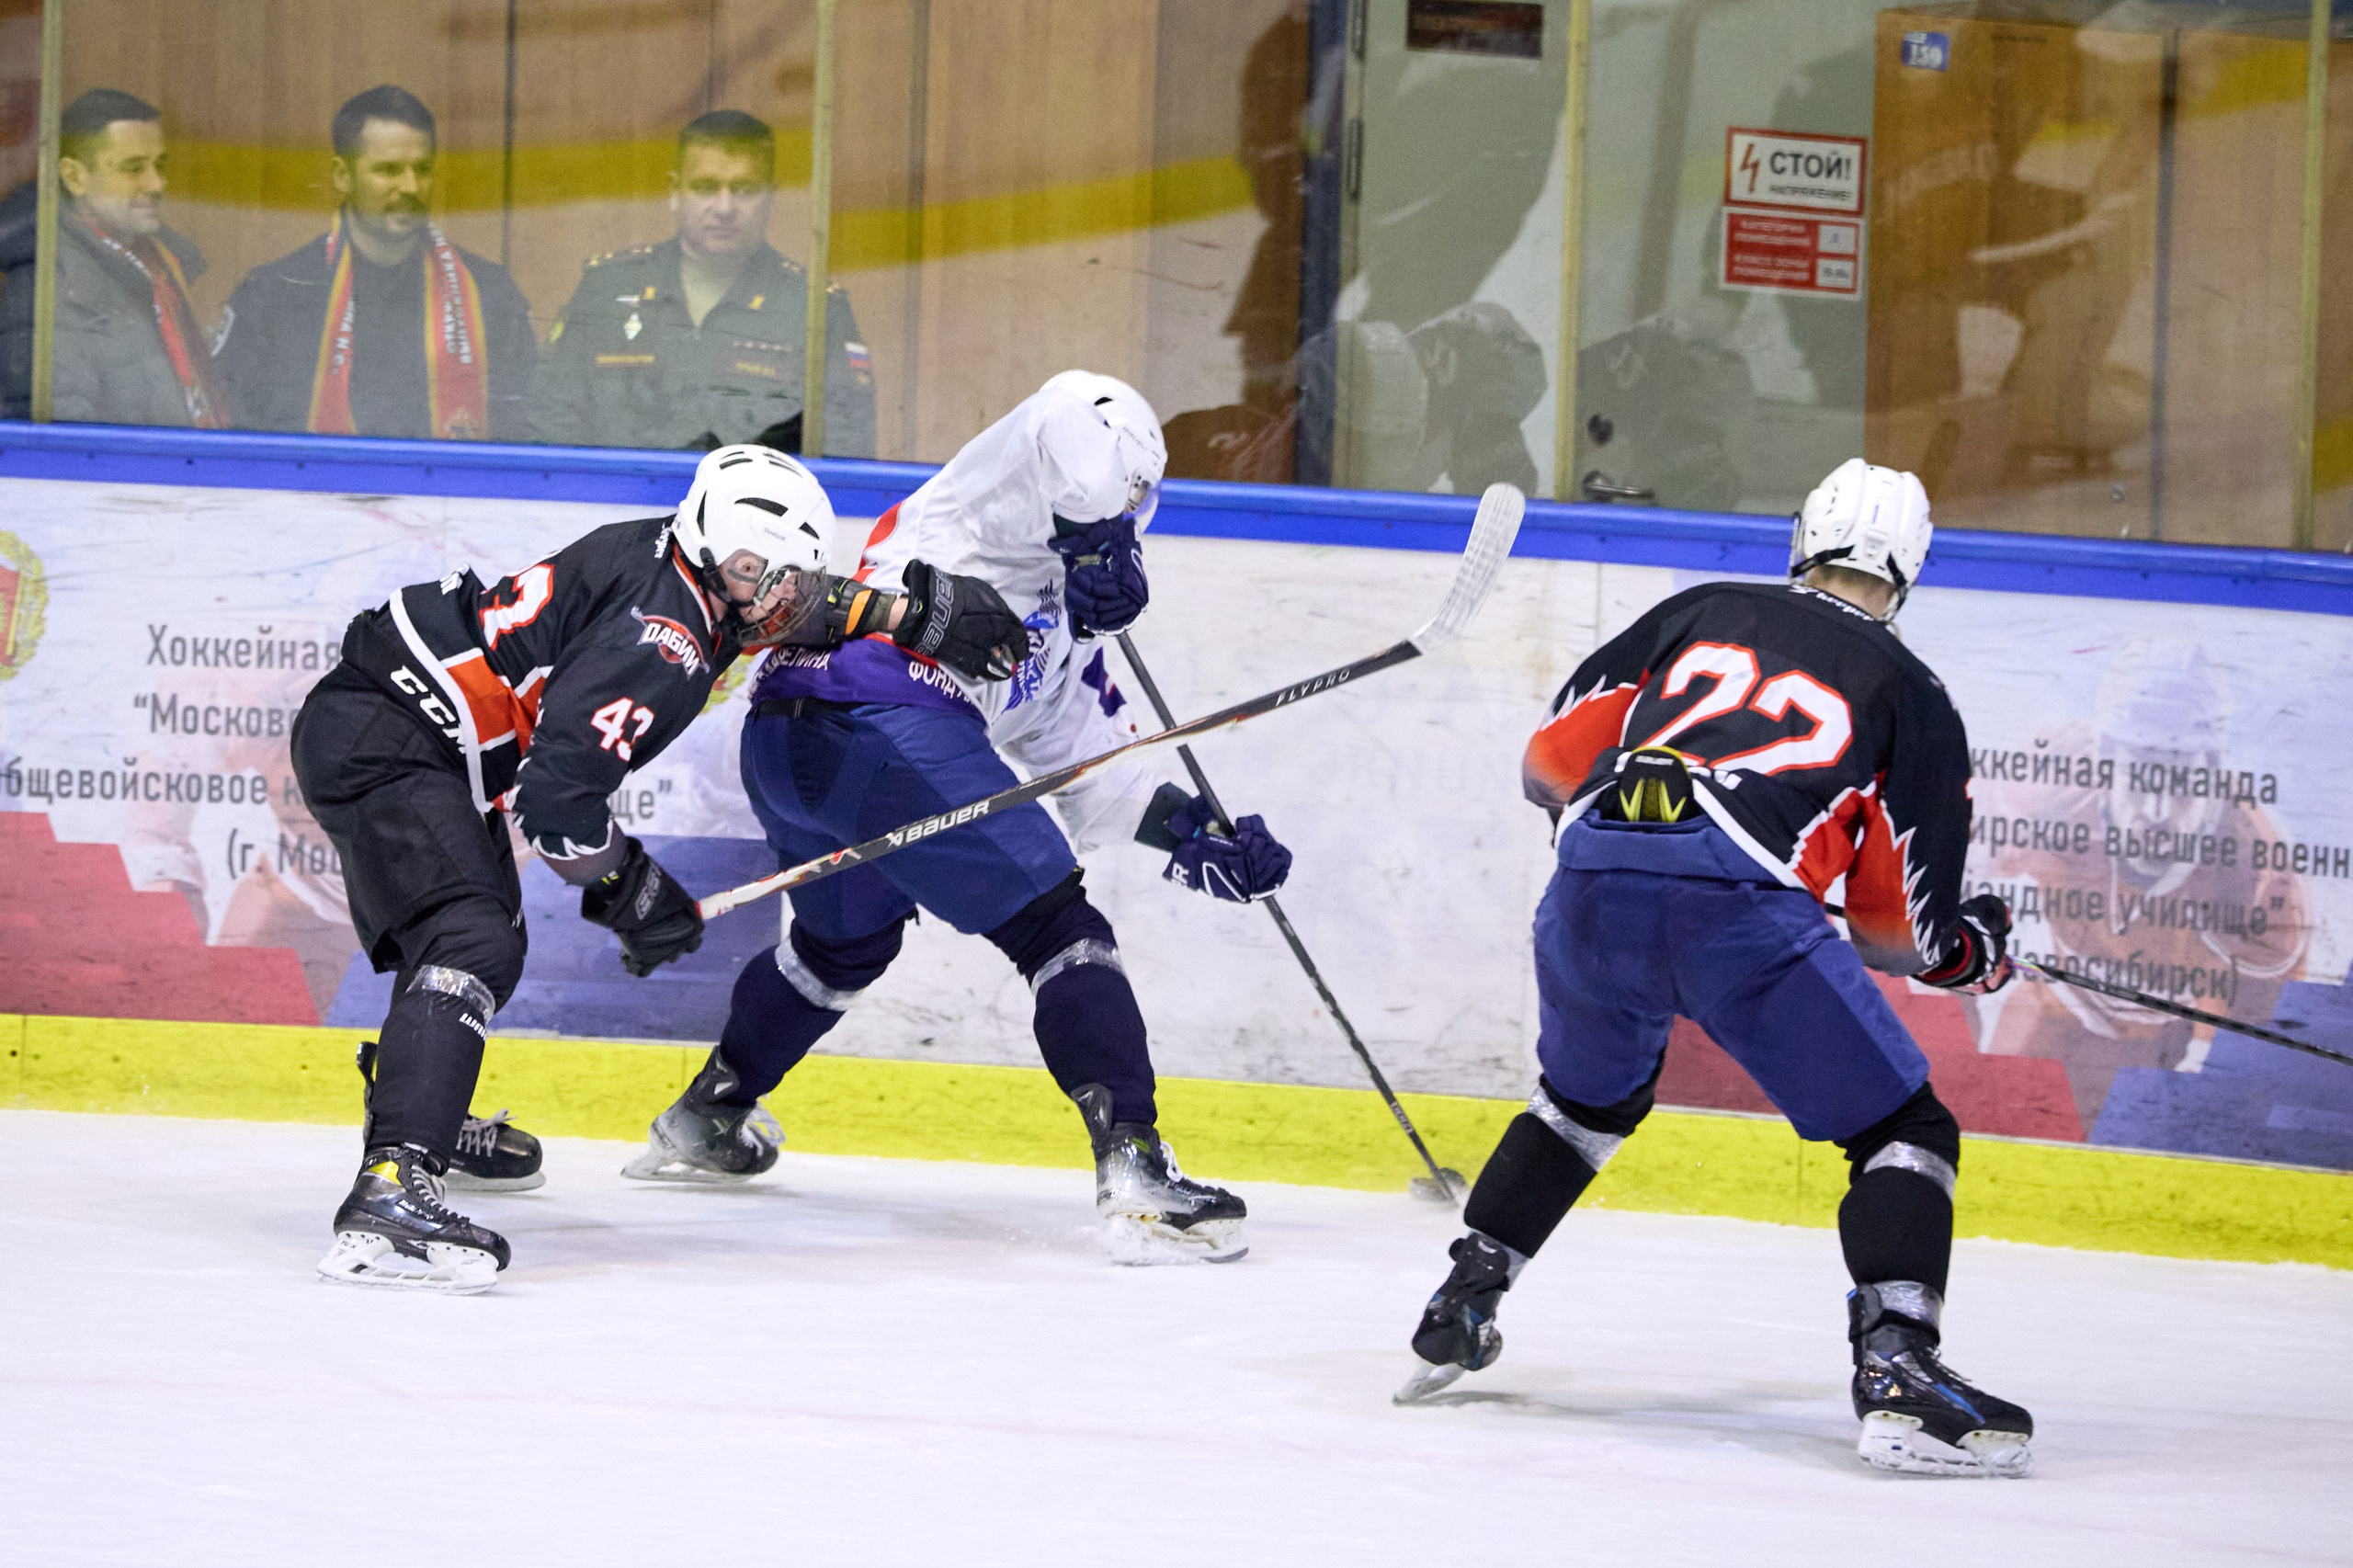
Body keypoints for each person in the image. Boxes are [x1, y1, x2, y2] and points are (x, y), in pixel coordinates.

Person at [1399, 458, 2035, 1477]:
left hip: (1588, 885)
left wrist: (1653, 849)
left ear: (1802, 536)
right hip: (1735, 918)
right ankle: (1899, 1369)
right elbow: (1901, 935)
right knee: (1901, 1129)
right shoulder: (1913, 691)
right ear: (1910, 567)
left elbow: (1550, 763)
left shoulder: (1696, 609)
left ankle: (1465, 1293)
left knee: (1583, 1103)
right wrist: (1975, 950)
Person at [290, 443, 1027, 1292]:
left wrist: (913, 619)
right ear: (719, 550)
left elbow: (797, 606)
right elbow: (558, 804)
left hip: (409, 731)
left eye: (786, 575)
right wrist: (629, 890)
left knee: (472, 938)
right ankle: (392, 1183)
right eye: (761, 573)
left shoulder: (690, 562)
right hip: (394, 737)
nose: (780, 595)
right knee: (469, 939)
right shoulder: (667, 639)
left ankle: (423, 1117)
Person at [623, 372, 1293, 1265]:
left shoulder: (1065, 632)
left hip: (795, 743)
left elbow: (1088, 773)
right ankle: (1133, 1160)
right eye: (1129, 490)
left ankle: (707, 1113)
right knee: (1060, 928)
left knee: (842, 948)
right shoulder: (1001, 495)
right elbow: (1070, 406)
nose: (1130, 507)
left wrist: (1194, 836)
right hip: (877, 714)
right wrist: (1097, 537)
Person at [529, 109, 876, 455]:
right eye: (706, 187)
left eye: (745, 189)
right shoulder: (607, 290)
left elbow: (846, 447)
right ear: (675, 191)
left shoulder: (813, 309)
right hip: (619, 503)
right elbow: (547, 422)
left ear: (771, 197)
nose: (724, 207)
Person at [213, 85, 536, 440]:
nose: (411, 187)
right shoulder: (276, 294)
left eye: (422, 169)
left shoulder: (488, 294)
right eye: (388, 170)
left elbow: (525, 430)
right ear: (342, 176)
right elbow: (231, 433)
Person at [0, 89, 230, 427]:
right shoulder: (44, 282)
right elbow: (60, 449)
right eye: (133, 168)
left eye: (160, 166)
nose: (157, 183)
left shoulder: (164, 265)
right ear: (75, 176)